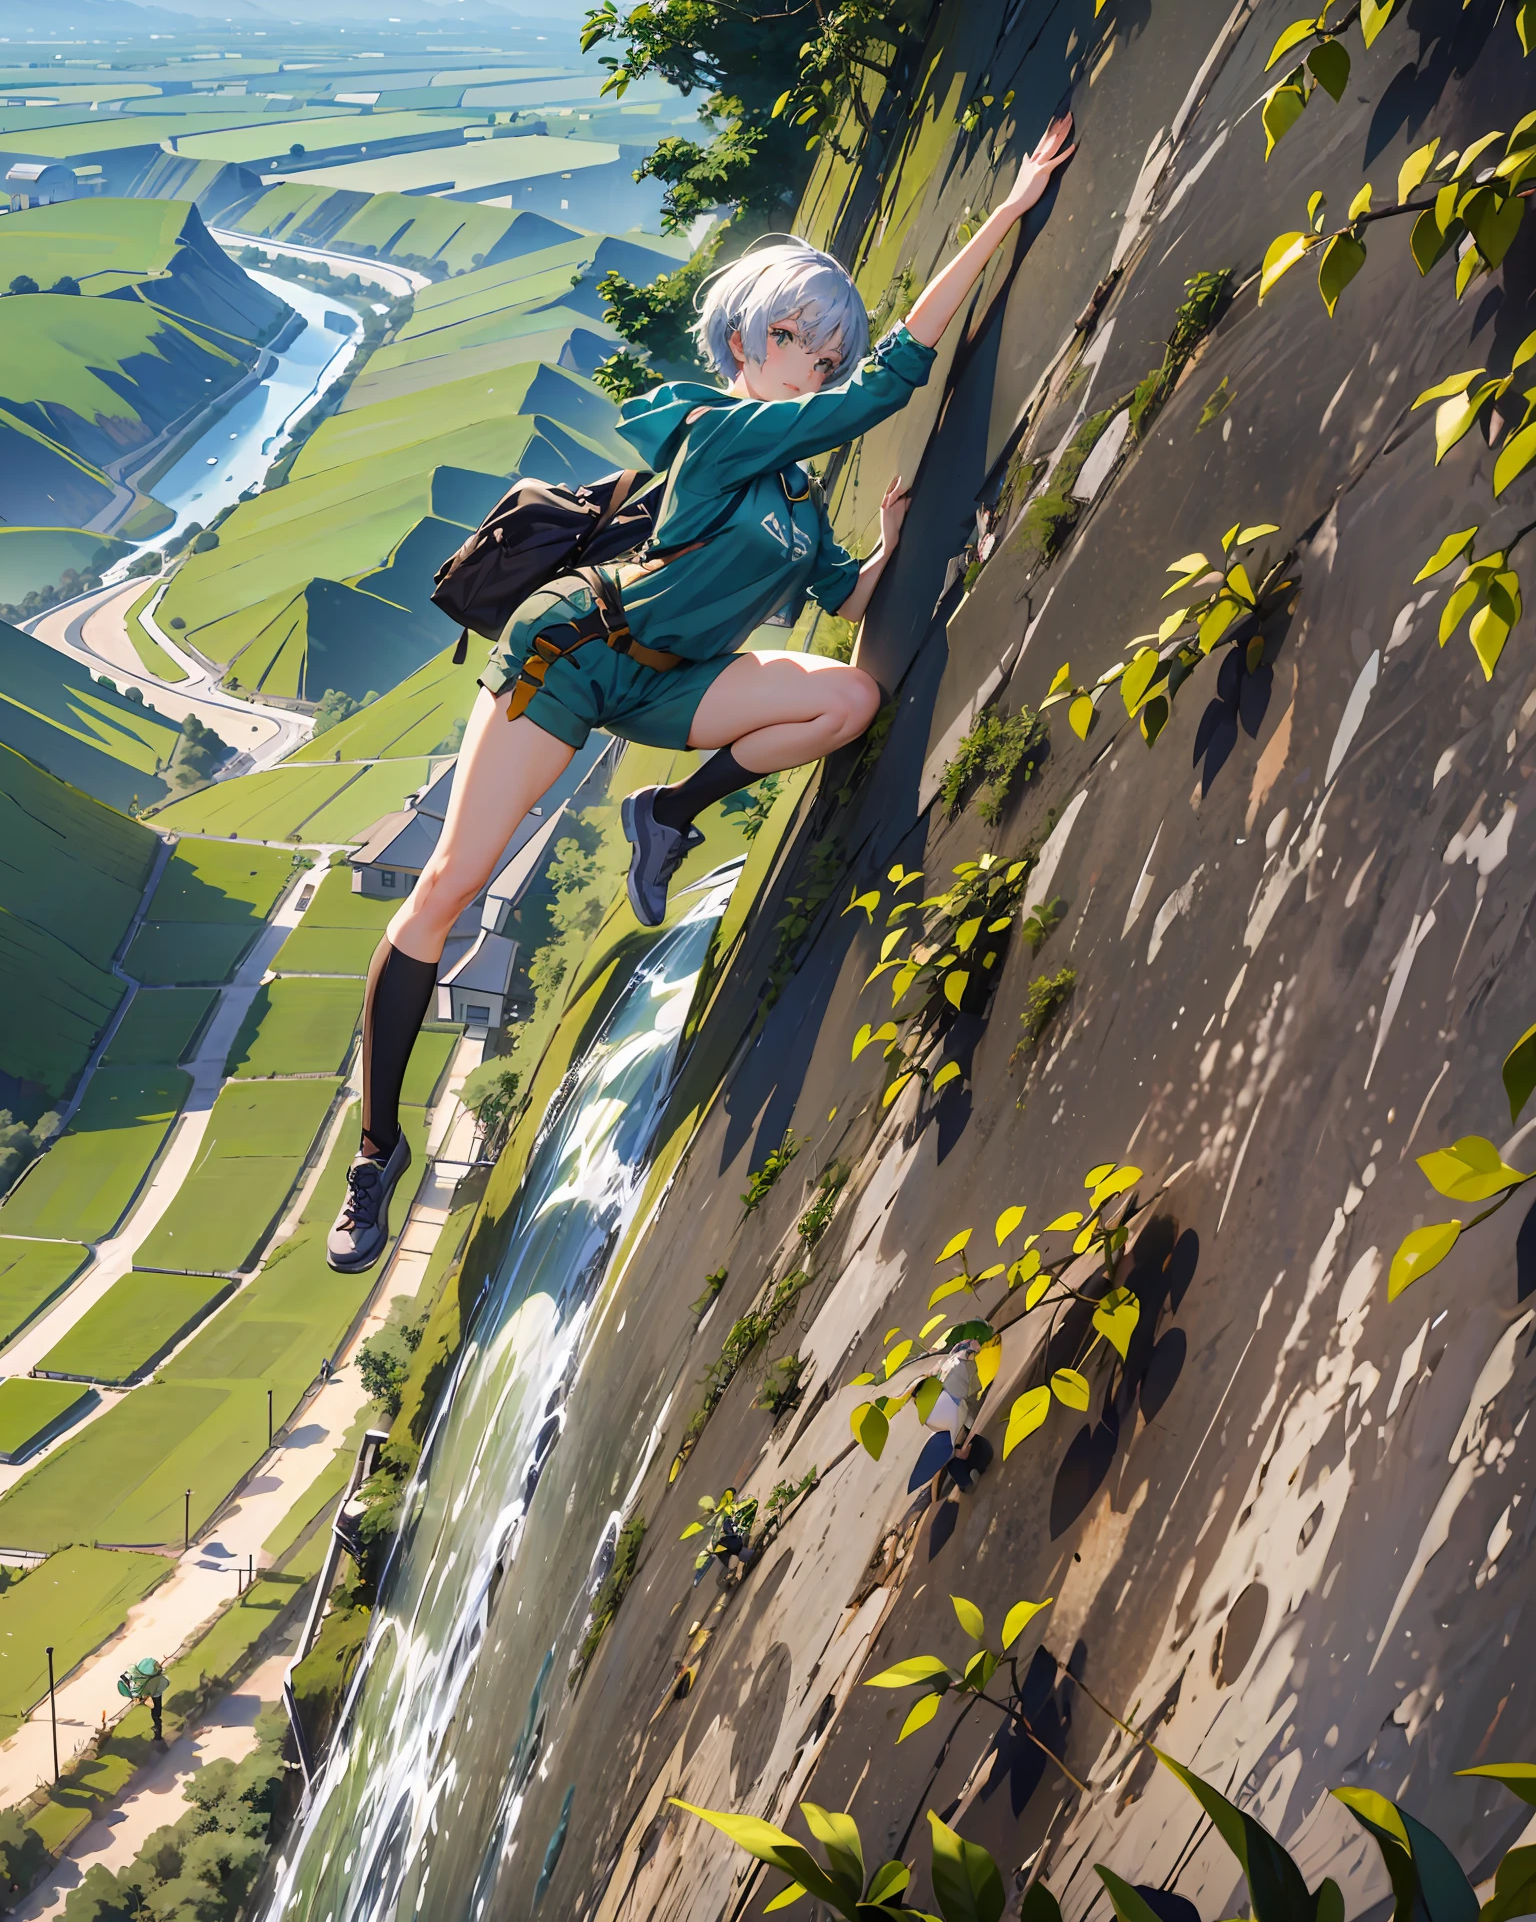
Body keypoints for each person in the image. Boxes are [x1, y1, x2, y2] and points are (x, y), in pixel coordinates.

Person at [330, 117, 1076, 1272]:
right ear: (750, 334)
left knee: (844, 703)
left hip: (671, 687)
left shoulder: (791, 492)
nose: (815, 361)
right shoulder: (726, 432)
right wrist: (1011, 208)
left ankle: (665, 814)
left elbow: (839, 600)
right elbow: (890, 386)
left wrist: (878, 547)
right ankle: (375, 1153)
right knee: (449, 884)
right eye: (799, 339)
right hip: (573, 653)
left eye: (826, 351)